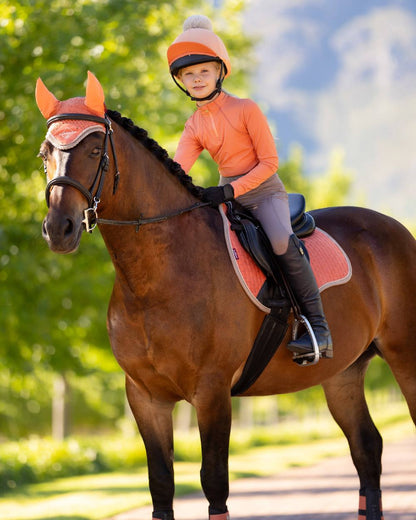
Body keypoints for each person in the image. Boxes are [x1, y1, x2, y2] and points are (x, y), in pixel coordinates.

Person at [167, 15, 332, 360]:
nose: (197, 79)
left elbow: (269, 163)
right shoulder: (194, 125)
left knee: (278, 241)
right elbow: (177, 169)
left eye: (204, 71)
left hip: (264, 192)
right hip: (229, 195)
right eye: (189, 75)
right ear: (181, 81)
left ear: (219, 72)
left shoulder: (246, 109)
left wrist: (229, 192)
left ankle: (318, 328)